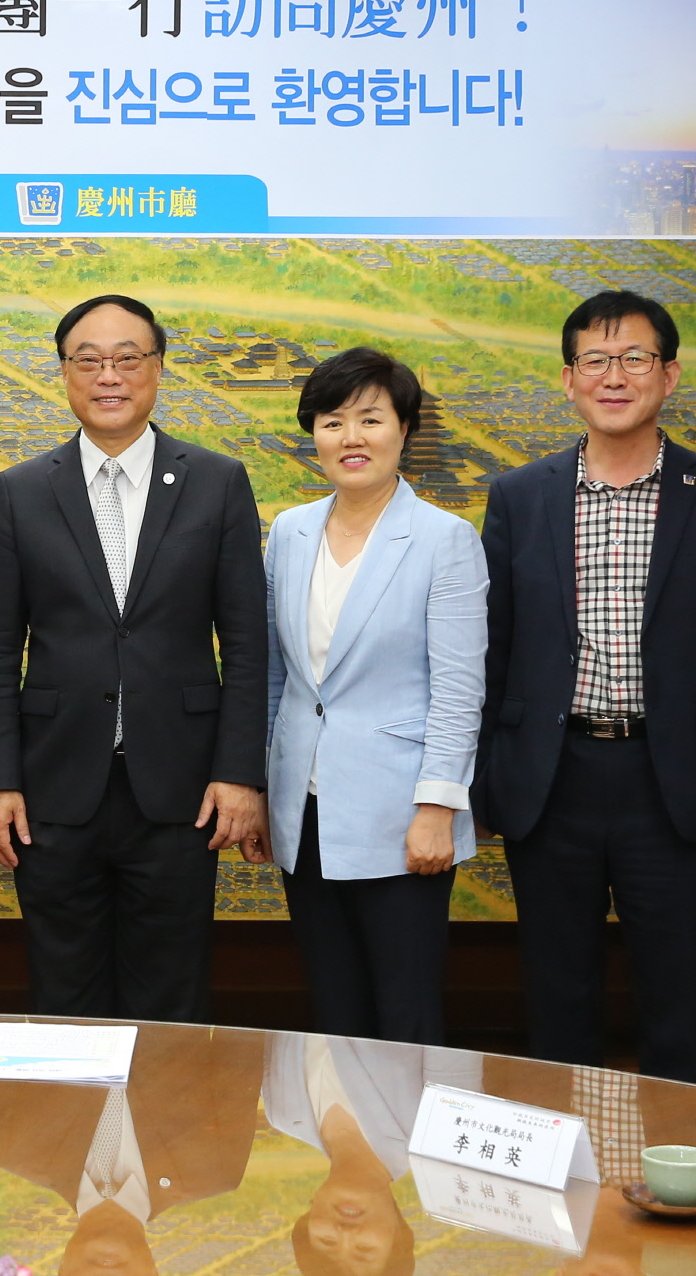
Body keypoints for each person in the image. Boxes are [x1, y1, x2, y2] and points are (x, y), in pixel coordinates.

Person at [475, 290, 696, 1085]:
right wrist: (485, 780)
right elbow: (492, 650)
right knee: (557, 993)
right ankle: (563, 1156)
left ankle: (675, 1155)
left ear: (669, 375)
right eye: (596, 361)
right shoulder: (519, 497)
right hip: (551, 777)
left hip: (673, 779)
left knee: (676, 997)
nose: (615, 377)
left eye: (635, 359)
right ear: (568, 379)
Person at [0, 293, 268, 1022]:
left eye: (127, 358)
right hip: (53, 789)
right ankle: (72, 1107)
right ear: (65, 373)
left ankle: (161, 1107)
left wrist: (238, 773)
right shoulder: (21, 490)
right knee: (63, 996)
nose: (109, 375)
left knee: (170, 998)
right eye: (89, 360)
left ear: (158, 369)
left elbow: (246, 643)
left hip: (181, 787)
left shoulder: (217, 481)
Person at [264, 347, 487, 1045]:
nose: (350, 438)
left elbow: (459, 690)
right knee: (334, 1011)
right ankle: (343, 1126)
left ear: (404, 429)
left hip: (402, 818)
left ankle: (405, 1125)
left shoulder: (445, 540)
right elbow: (276, 676)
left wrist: (437, 809)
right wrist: (267, 792)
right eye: (332, 422)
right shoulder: (290, 532)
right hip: (304, 811)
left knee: (404, 1015)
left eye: (370, 419)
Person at [0, 1024, 265, 1276]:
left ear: (62, 1268)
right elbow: (241, 1035)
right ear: (153, 1271)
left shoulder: (17, 1151)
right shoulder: (214, 1171)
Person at [264, 1032, 482, 1276]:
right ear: (399, 1232)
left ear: (306, 1224)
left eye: (327, 1241)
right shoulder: (441, 1128)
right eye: (364, 1249)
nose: (345, 1232)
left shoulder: (282, 1113)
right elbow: (447, 1026)